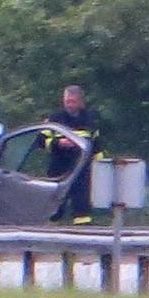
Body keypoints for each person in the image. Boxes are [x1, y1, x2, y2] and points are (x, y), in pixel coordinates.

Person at [51, 84, 102, 221]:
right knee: (54, 205)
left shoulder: (89, 119)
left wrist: (99, 167)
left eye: (72, 101)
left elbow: (96, 145)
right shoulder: (55, 119)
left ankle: (84, 234)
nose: (68, 105)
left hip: (82, 170)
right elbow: (41, 141)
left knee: (82, 206)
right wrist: (58, 143)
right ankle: (50, 232)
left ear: (80, 102)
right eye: (67, 101)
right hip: (59, 169)